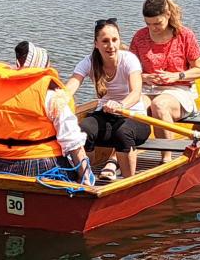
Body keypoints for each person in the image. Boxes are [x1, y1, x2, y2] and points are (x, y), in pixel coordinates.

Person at [0, 41, 95, 184]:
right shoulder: (51, 95)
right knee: (74, 176)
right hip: (43, 165)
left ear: (18, 65)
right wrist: (85, 175)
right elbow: (71, 140)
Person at [63, 18, 151, 184]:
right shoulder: (88, 62)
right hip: (106, 115)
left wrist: (121, 105)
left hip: (134, 116)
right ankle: (86, 179)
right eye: (105, 41)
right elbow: (70, 88)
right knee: (82, 130)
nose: (111, 46)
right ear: (96, 43)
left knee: (122, 133)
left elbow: (136, 92)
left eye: (114, 40)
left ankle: (128, 183)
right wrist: (59, 101)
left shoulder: (129, 59)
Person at [130, 0, 200, 124]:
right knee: (135, 107)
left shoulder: (185, 35)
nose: (153, 28)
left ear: (168, 15)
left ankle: (166, 144)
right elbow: (128, 71)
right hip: (147, 89)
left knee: (159, 105)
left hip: (178, 90)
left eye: (157, 23)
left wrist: (176, 76)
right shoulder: (140, 36)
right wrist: (145, 77)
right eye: (148, 24)